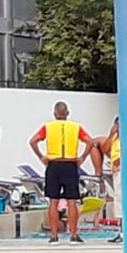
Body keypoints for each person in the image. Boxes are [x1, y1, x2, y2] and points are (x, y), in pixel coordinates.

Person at [29, 101, 93, 244]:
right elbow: (89, 141)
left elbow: (33, 141)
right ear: (67, 113)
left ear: (54, 113)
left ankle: (54, 236)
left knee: (53, 201)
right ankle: (74, 235)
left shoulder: (48, 127)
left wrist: (41, 156)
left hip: (53, 164)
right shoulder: (75, 127)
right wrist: (82, 157)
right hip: (70, 164)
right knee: (71, 201)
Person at [106, 117, 123, 244]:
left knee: (122, 200)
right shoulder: (114, 139)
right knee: (118, 201)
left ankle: (124, 232)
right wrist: (111, 133)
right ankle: (121, 231)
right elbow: (106, 149)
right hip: (116, 172)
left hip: (123, 171)